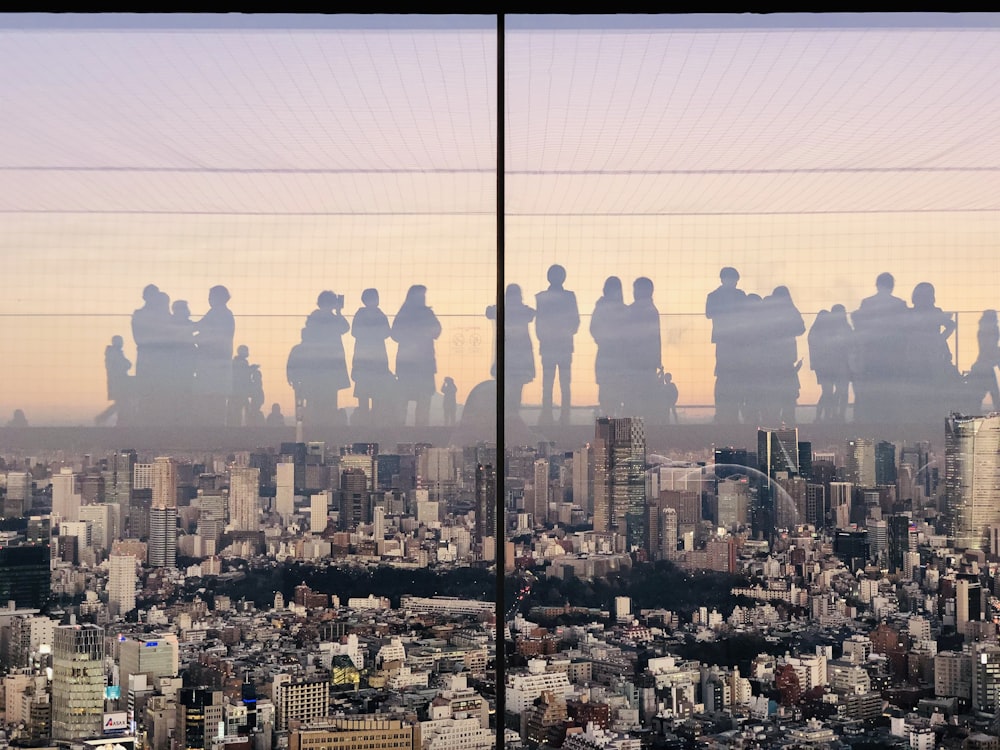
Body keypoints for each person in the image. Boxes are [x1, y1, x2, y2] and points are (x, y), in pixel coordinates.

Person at [851, 272, 908, 423]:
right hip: (893, 355)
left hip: (872, 354)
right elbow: (905, 328)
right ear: (892, 286)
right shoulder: (899, 304)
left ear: (877, 285)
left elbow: (858, 323)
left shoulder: (867, 303)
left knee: (872, 392)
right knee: (891, 393)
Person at [535, 265, 579, 426]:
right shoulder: (569, 297)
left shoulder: (542, 297)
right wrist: (564, 332)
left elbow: (539, 323)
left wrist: (545, 337)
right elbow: (575, 322)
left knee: (548, 383)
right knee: (563, 384)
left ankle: (548, 415)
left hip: (549, 346)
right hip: (563, 345)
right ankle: (564, 417)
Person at [391, 285, 442, 427]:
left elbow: (437, 331)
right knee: (404, 402)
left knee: (423, 401)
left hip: (420, 365)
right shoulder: (406, 315)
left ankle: (421, 431)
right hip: (410, 366)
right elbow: (395, 334)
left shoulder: (424, 314)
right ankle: (402, 431)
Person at [705, 267, 747, 423]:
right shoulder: (735, 296)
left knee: (728, 375)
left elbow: (710, 313)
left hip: (730, 341)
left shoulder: (716, 296)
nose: (735, 283)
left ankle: (728, 411)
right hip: (731, 341)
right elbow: (709, 313)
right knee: (727, 375)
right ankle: (726, 411)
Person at [305, 290, 351, 426]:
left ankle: (324, 423)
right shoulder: (321, 318)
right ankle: (323, 423)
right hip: (326, 364)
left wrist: (338, 313)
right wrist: (338, 313)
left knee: (326, 396)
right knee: (325, 396)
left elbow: (344, 328)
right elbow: (344, 328)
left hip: (322, 364)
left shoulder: (316, 317)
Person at [193, 285, 235, 426]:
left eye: (211, 296)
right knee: (213, 398)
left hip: (214, 363)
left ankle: (214, 428)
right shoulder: (218, 313)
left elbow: (204, 331)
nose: (209, 299)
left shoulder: (220, 314)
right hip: (214, 363)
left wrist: (194, 337)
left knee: (213, 398)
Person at [350, 288, 393, 426]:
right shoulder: (374, 315)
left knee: (374, 395)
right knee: (368, 395)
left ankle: (372, 423)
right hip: (368, 361)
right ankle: (366, 423)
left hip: (371, 361)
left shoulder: (374, 315)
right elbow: (355, 332)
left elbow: (386, 332)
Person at [623, 277, 663, 419]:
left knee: (633, 402)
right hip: (648, 363)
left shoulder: (631, 310)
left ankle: (632, 437)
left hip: (633, 363)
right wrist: (657, 360)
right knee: (646, 402)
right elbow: (656, 337)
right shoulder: (652, 311)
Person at [590, 276, 627, 417]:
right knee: (619, 400)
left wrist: (603, 341)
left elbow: (593, 328)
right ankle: (623, 437)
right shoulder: (624, 310)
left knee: (606, 401)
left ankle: (605, 436)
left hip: (606, 357)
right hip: (621, 359)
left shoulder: (600, 308)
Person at [504, 284, 536, 422]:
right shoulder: (523, 311)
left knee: (510, 387)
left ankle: (510, 416)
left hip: (509, 354)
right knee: (516, 388)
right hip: (518, 355)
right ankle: (513, 415)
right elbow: (531, 314)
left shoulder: (505, 310)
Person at [95, 335, 133, 426]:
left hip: (118, 382)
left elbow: (126, 364)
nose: (122, 343)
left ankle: (118, 422)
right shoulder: (115, 354)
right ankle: (102, 418)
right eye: (120, 341)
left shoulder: (113, 353)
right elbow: (126, 364)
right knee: (122, 403)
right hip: (119, 383)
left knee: (122, 403)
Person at [969, 310, 1000, 412]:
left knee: (980, 397)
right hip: (984, 367)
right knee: (993, 396)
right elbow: (989, 349)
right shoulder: (988, 332)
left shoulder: (984, 331)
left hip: (983, 366)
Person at [228, 345, 253, 427]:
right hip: (239, 391)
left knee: (238, 412)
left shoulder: (234, 362)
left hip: (236, 391)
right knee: (240, 411)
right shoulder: (242, 363)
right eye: (246, 350)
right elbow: (244, 376)